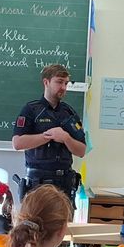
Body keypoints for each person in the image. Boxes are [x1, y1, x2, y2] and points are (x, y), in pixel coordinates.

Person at [12, 63, 86, 205]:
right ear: (46, 82)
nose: (63, 87)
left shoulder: (69, 113)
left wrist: (65, 138)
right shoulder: (31, 110)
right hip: (37, 183)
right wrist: (48, 136)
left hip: (64, 184)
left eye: (66, 83)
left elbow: (81, 150)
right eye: (59, 82)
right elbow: (17, 143)